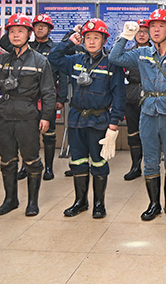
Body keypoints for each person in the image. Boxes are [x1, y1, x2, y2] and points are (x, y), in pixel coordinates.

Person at [109, 9, 166, 221]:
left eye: (161, 26)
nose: (156, 30)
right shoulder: (142, 54)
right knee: (150, 161)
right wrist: (125, 36)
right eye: (152, 26)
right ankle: (154, 204)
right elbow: (115, 57)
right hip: (148, 112)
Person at [0, 14, 56, 216]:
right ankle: (10, 200)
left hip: (27, 116)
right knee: (7, 160)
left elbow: (48, 92)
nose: (15, 35)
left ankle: (32, 203)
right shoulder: (1, 60)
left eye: (20, 31)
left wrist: (46, 117)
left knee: (31, 161)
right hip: (3, 115)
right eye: (11, 32)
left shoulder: (40, 61)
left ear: (29, 34)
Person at [48, 18, 125, 219]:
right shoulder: (75, 60)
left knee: (99, 163)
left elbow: (119, 95)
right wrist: (69, 43)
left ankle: (99, 204)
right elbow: (53, 58)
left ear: (104, 40)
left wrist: (114, 124)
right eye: (88, 37)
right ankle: (80, 202)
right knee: (78, 161)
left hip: (99, 120)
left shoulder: (112, 64)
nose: (91, 41)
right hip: (76, 119)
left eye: (96, 37)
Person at [0, 13, 68, 181]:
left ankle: (49, 168)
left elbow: (63, 74)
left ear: (50, 30)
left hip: (47, 97)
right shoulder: (25, 46)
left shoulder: (55, 49)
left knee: (49, 134)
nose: (40, 28)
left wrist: (61, 99)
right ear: (32, 30)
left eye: (44, 26)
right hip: (27, 98)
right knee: (26, 135)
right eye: (37, 26)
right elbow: (3, 42)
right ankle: (25, 166)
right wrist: (15, 27)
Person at [120, 18, 151, 181]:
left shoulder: (157, 52)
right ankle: (135, 166)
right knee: (133, 133)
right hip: (131, 97)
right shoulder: (127, 54)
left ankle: (151, 166)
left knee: (151, 134)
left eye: (145, 32)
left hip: (151, 98)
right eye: (139, 32)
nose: (141, 35)